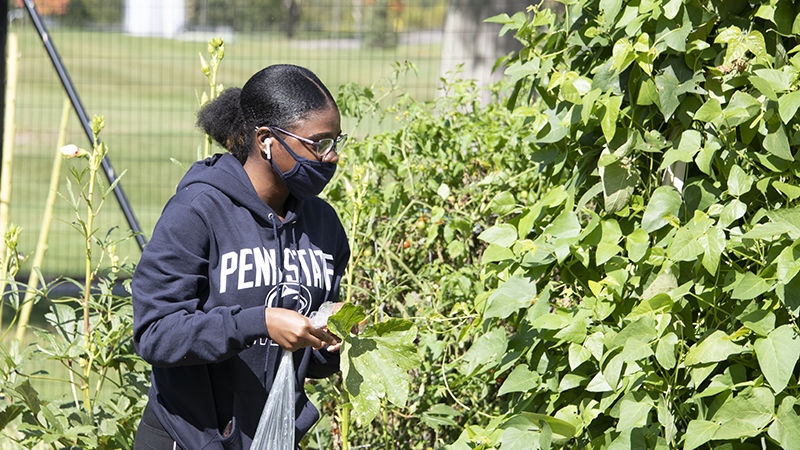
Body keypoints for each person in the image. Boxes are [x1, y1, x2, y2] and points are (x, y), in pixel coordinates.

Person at [132, 64, 350, 449]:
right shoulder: (197, 211)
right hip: (189, 439)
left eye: (335, 141)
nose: (331, 158)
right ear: (266, 140)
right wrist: (258, 322)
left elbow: (306, 360)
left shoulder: (324, 225)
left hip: (273, 437)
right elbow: (155, 334)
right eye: (318, 144)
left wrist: (330, 345)